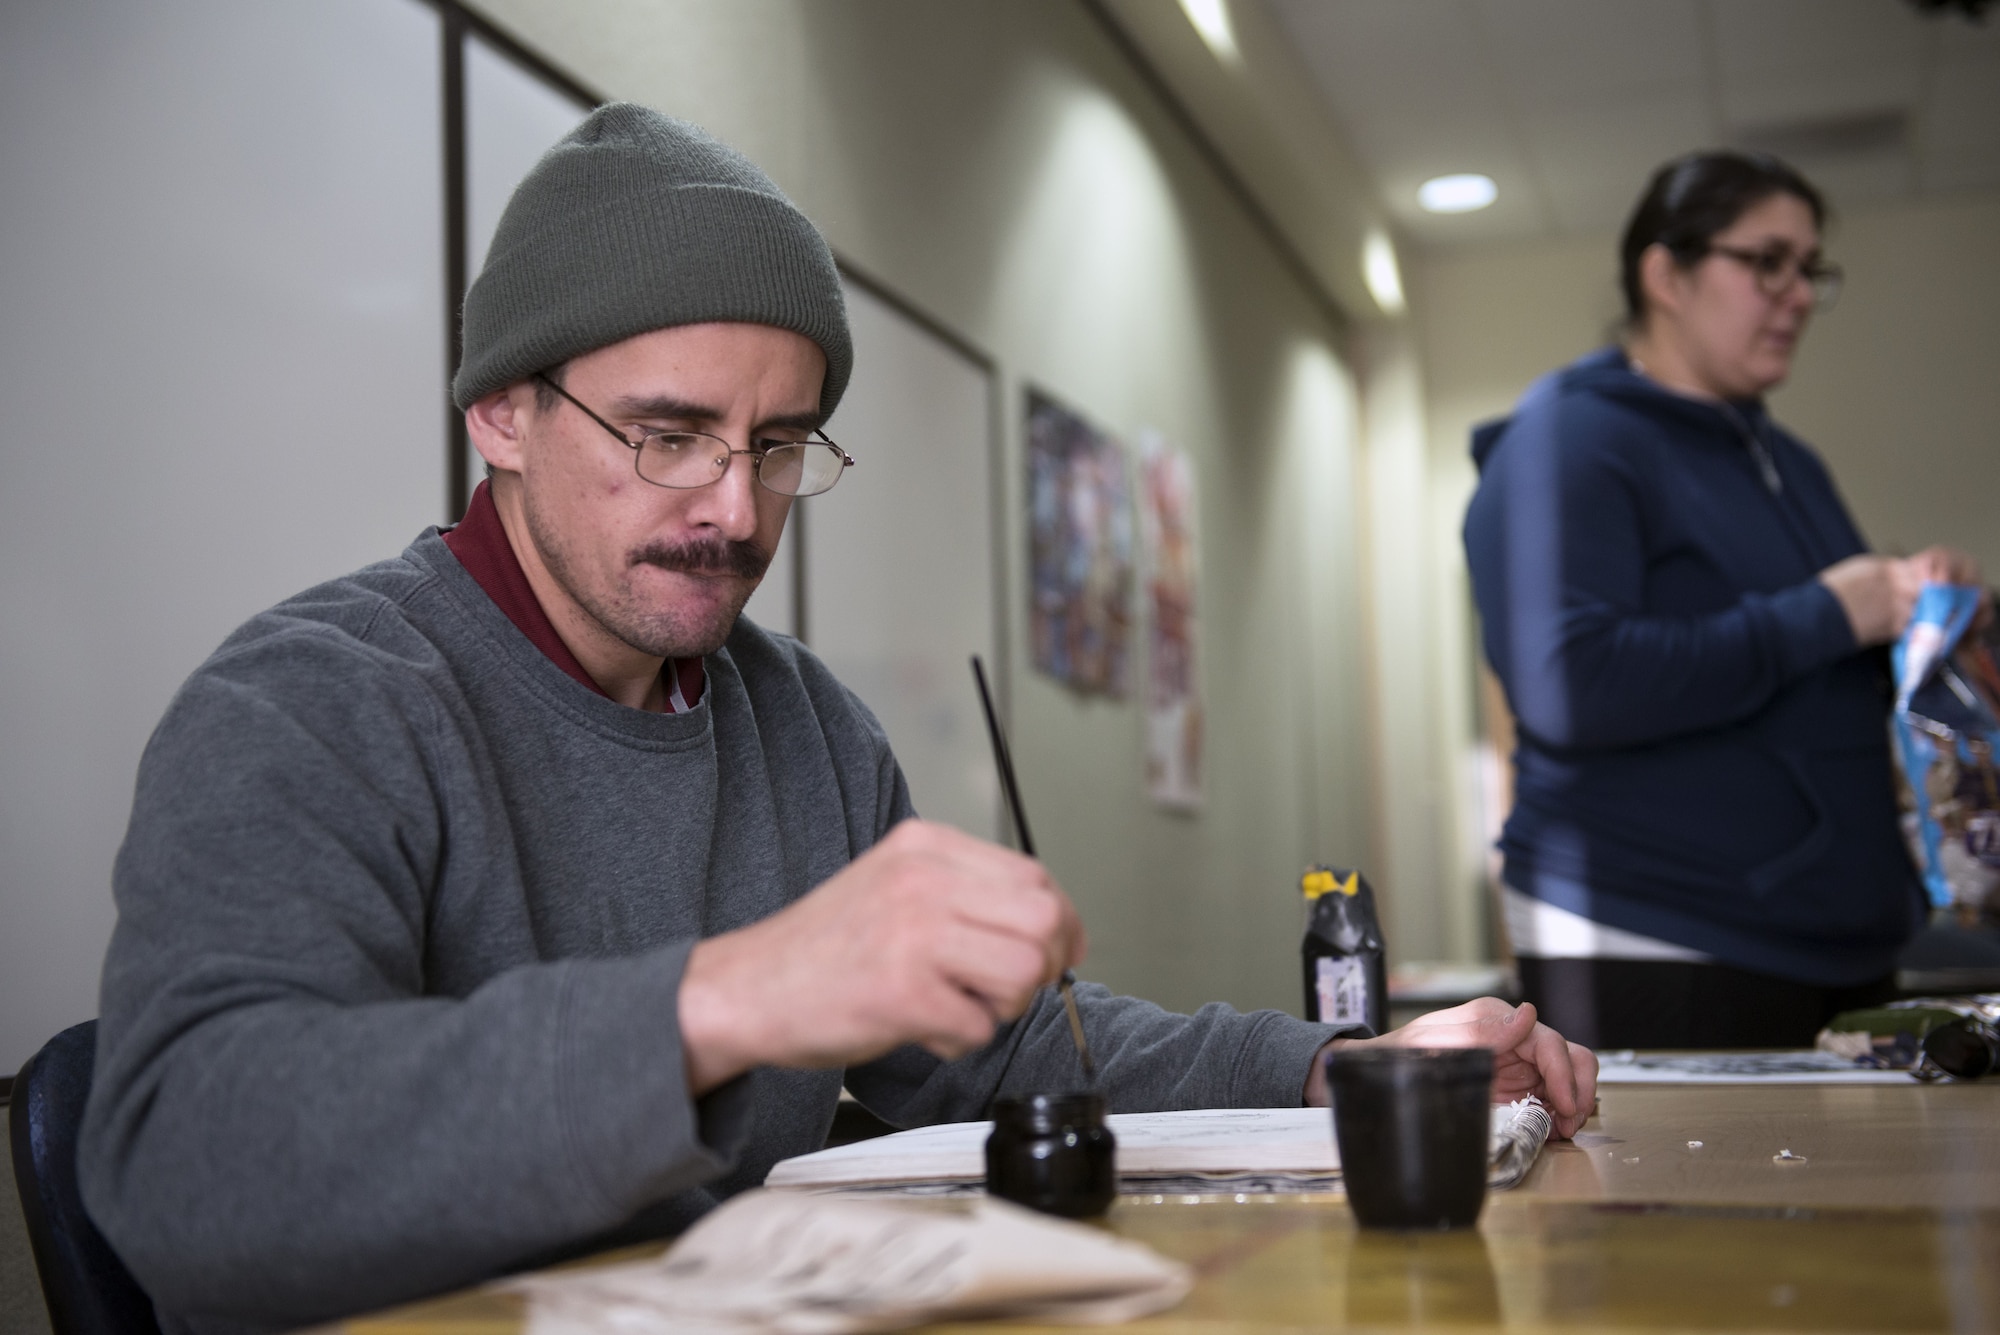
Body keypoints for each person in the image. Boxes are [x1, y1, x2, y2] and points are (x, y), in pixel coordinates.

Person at [79, 104, 1594, 1333]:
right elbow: (189, 1174)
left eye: (781, 443)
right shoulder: (316, 701)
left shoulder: (798, 719)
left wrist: (1339, 1069)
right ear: (499, 412)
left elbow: (1005, 1051)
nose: (735, 511)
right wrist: (727, 998)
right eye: (669, 437)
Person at [1464, 150, 1989, 1051]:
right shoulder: (1569, 442)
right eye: (1767, 261)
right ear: (1665, 273)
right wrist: (1829, 612)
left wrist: (1917, 608)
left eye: (1810, 269)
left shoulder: (1791, 462)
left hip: (1829, 939)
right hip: (1657, 938)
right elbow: (1568, 682)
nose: (1795, 294)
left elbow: (1819, 653)